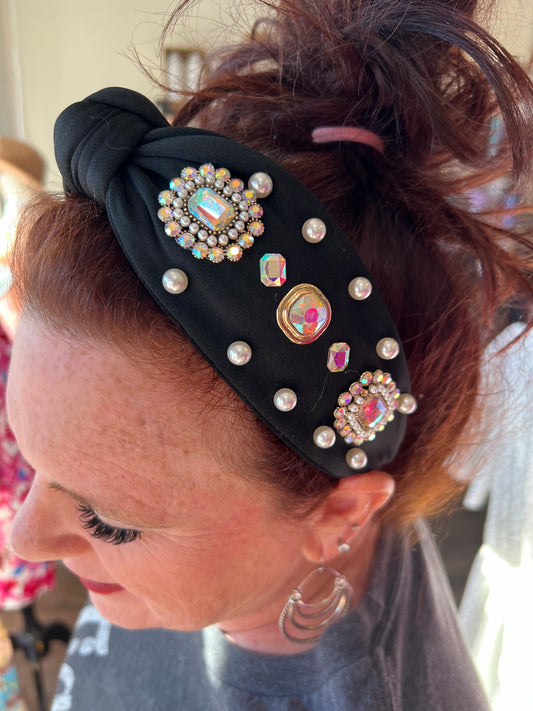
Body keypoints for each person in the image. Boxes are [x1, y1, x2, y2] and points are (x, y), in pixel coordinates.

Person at [5, 0, 533, 708]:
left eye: (110, 521)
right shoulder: (267, 528)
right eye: (36, 458)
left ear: (339, 517)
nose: (23, 537)